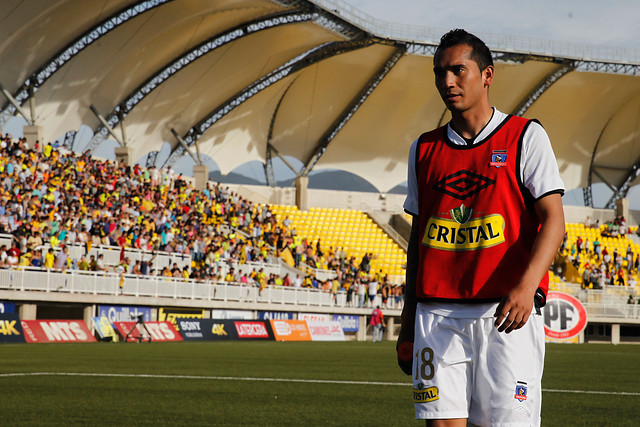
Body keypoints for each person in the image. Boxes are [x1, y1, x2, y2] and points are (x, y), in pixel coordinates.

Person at [396, 29, 565, 427]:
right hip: (436, 317)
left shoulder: (525, 136)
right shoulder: (424, 149)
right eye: (440, 73)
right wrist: (407, 324)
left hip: (506, 315)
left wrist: (527, 288)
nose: (447, 82)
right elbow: (417, 245)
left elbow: (554, 221)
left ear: (487, 75)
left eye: (458, 70)